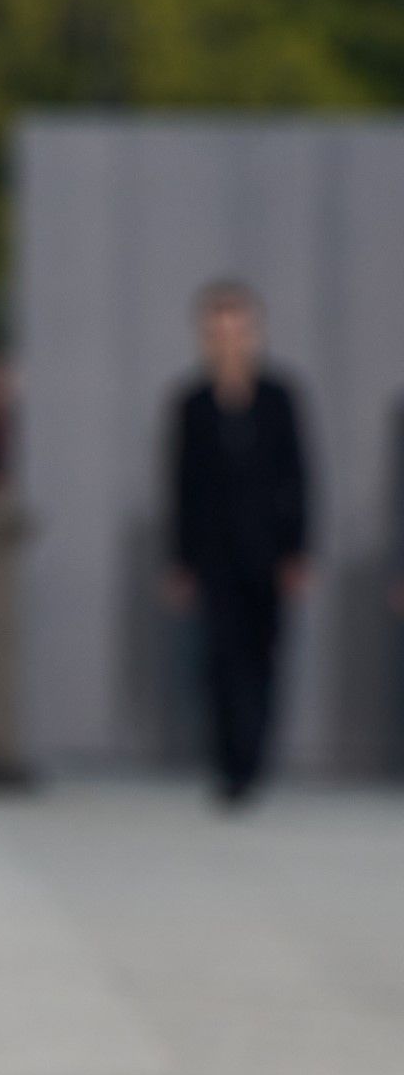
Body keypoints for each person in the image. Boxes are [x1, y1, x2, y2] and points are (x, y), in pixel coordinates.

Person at [164, 279, 312, 804]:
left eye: (238, 330)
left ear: (254, 334)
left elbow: (299, 476)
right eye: (218, 331)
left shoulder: (278, 398)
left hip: (268, 554)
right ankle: (230, 764)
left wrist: (298, 550)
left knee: (263, 657)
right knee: (220, 660)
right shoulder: (193, 404)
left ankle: (253, 759)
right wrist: (180, 561)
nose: (229, 341)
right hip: (214, 555)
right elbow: (182, 486)